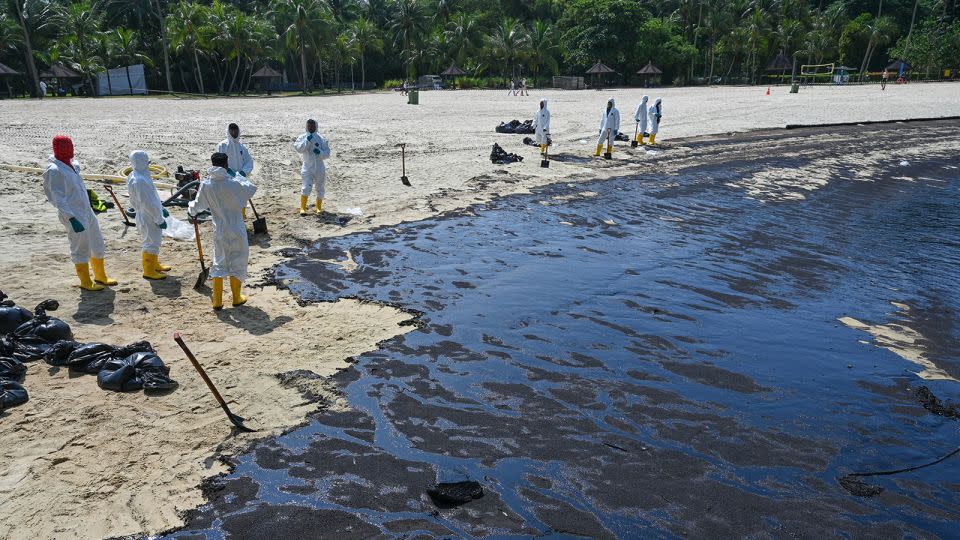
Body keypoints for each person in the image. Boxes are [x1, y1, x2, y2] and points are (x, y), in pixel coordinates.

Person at [43, 135, 117, 291]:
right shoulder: (54, 170)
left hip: (86, 210)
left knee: (97, 243)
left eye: (69, 146)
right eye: (64, 147)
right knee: (80, 246)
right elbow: (57, 197)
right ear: (56, 149)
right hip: (73, 213)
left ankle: (100, 275)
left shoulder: (72, 165)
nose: (68, 150)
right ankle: (85, 281)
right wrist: (71, 218)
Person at [188, 152, 257, 310]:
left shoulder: (206, 185)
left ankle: (217, 301)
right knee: (238, 259)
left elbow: (197, 206)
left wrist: (191, 209)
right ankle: (236, 297)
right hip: (236, 228)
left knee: (219, 261)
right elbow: (251, 189)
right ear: (226, 165)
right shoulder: (233, 183)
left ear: (212, 165)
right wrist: (237, 176)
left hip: (219, 229)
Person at [126, 150, 171, 280]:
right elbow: (148, 203)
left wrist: (161, 208)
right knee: (150, 242)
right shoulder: (139, 181)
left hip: (148, 213)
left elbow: (153, 196)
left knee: (155, 241)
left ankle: (154, 264)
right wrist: (159, 218)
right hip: (148, 216)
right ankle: (148, 270)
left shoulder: (138, 175)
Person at [293, 118, 331, 216]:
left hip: (319, 166)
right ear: (306, 126)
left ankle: (318, 207)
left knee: (320, 187)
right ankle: (302, 208)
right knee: (306, 186)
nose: (311, 127)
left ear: (316, 127)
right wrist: (306, 141)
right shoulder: (302, 137)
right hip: (307, 166)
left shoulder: (321, 139)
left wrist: (320, 153)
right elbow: (298, 148)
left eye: (313, 126)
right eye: (309, 126)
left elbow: (327, 154)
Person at [216, 123, 254, 218]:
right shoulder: (222, 145)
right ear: (228, 131)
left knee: (241, 197)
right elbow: (218, 161)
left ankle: (241, 216)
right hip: (226, 177)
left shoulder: (242, 147)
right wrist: (228, 171)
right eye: (232, 130)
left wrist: (243, 172)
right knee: (228, 198)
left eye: (236, 130)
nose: (234, 132)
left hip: (240, 177)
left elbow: (249, 161)